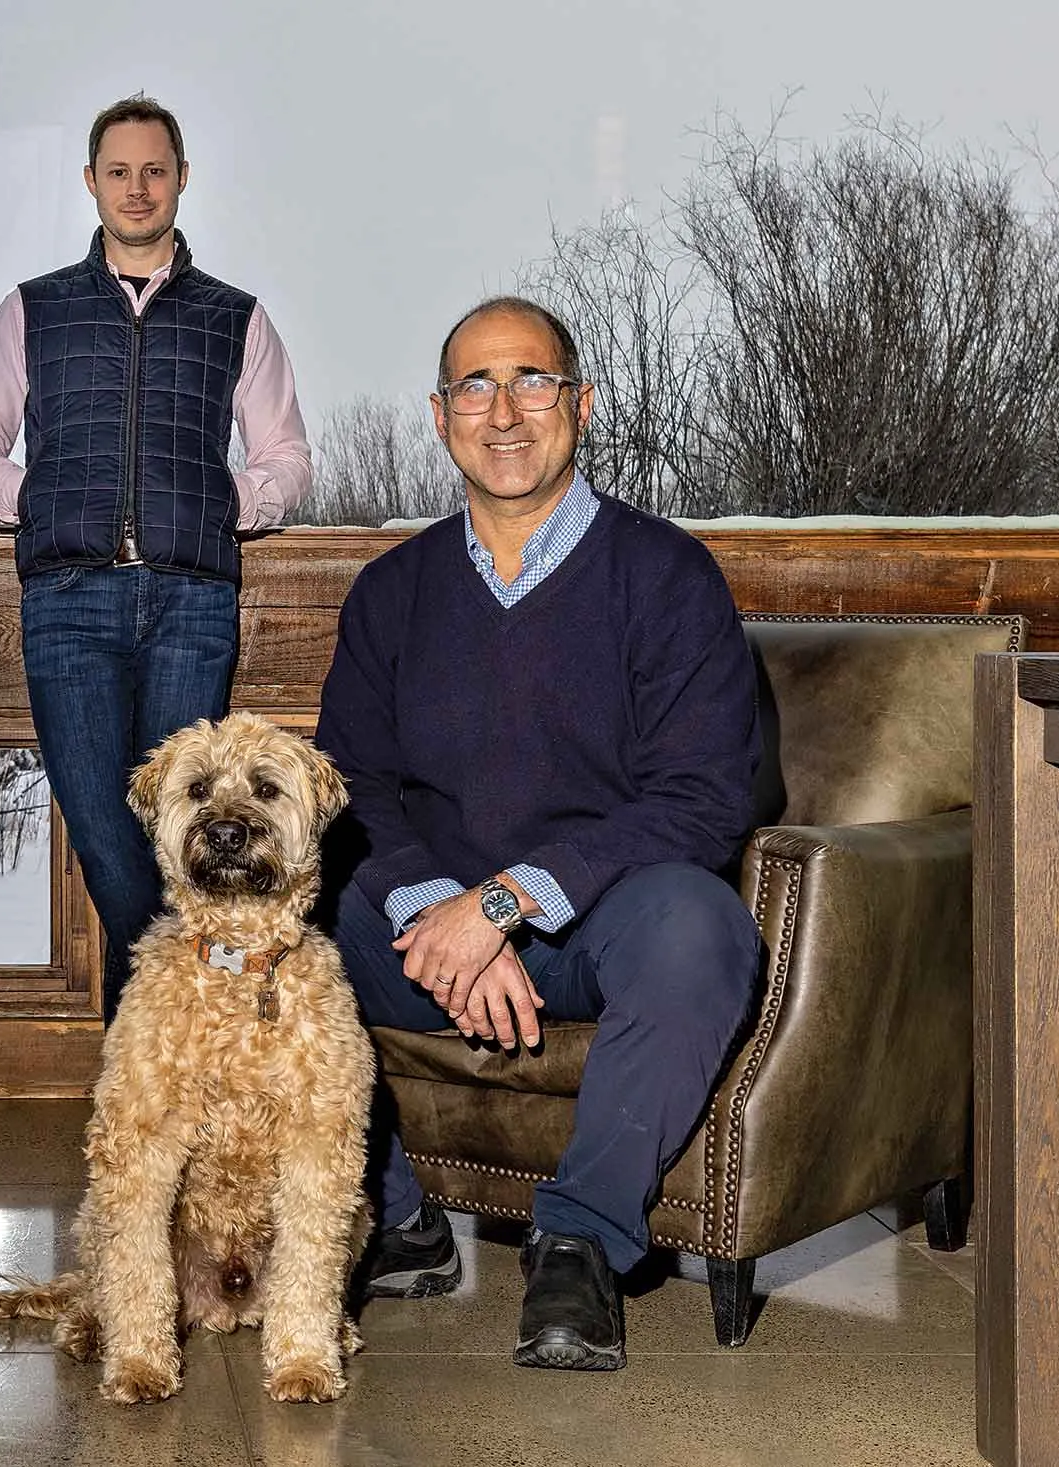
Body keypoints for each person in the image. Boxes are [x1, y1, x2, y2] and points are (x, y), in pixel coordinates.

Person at [314, 296, 762, 1370]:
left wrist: (506, 903)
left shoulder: (665, 576)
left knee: (701, 928)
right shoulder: (390, 592)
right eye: (474, 384)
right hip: (429, 939)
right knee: (285, 928)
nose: (502, 411)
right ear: (438, 416)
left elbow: (703, 797)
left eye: (531, 382)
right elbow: (354, 786)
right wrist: (438, 912)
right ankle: (395, 1217)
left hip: (602, 924)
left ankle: (578, 1241)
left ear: (581, 404)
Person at [0, 94, 313, 1019]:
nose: (138, 188)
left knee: (179, 837)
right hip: (68, 604)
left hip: (192, 605)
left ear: (182, 179)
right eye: (119, 172)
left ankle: (146, 1075)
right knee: (113, 842)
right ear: (91, 183)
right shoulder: (34, 310)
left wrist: (232, 502)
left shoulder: (237, 317)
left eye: (155, 171)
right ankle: (178, 1054)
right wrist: (28, 500)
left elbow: (287, 458)